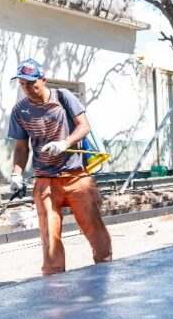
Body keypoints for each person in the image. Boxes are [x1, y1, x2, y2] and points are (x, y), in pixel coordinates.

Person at [7, 58, 112, 276]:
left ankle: (105, 269)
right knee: (49, 235)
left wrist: (65, 143)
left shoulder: (63, 97)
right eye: (22, 84)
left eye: (31, 83)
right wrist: (16, 174)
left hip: (77, 177)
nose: (27, 88)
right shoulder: (19, 111)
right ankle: (53, 283)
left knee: (94, 228)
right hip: (45, 180)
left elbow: (84, 126)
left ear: (43, 80)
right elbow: (21, 147)